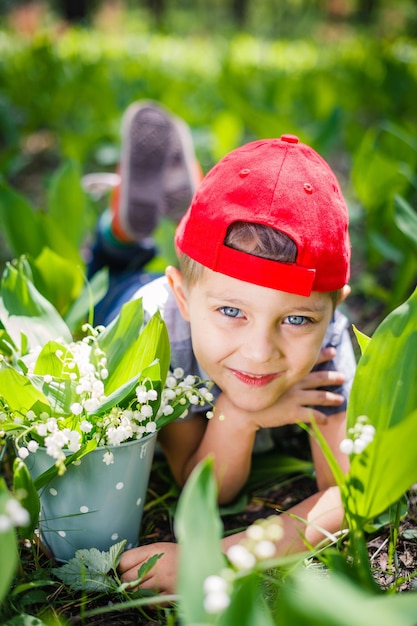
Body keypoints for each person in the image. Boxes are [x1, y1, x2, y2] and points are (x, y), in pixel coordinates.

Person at [86, 101, 356, 594]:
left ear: (334, 309)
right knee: (109, 269)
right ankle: (124, 227)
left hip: (208, 282)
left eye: (295, 318)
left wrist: (218, 558)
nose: (258, 353)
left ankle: (200, 210)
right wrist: (236, 418)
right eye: (234, 313)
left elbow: (350, 493)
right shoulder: (159, 332)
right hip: (127, 302)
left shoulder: (330, 346)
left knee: (209, 270)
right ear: (184, 297)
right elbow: (199, 486)